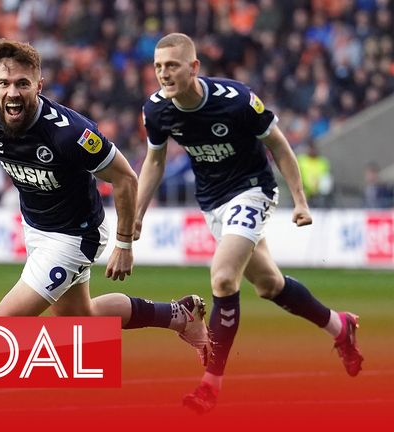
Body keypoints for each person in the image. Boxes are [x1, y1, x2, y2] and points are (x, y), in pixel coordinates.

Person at [0, 38, 210, 426]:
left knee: (2, 327)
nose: (13, 92)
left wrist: (124, 243)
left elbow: (125, 178)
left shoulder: (69, 133)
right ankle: (179, 315)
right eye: (4, 84)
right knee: (82, 318)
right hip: (37, 229)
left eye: (22, 83)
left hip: (75, 236)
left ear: (39, 84)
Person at [137, 33, 364, 414]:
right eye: (158, 66)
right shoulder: (157, 110)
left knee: (224, 277)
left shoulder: (237, 100)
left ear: (194, 67)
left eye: (172, 65)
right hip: (213, 203)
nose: (163, 74)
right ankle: (340, 327)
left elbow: (279, 145)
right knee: (269, 285)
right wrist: (135, 218)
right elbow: (154, 162)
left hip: (253, 191)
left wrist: (301, 200)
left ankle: (210, 385)